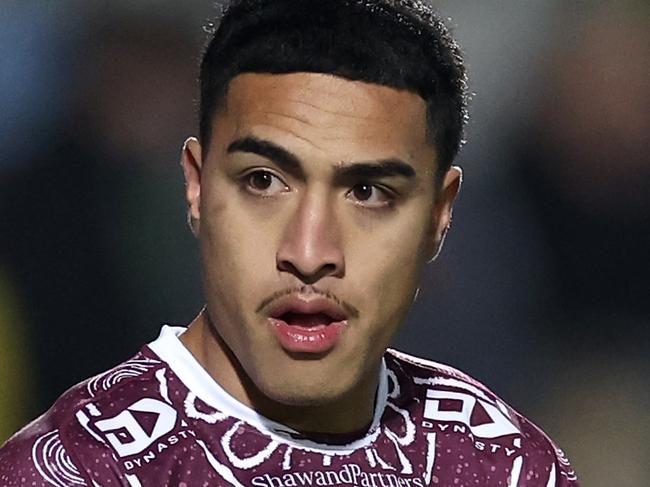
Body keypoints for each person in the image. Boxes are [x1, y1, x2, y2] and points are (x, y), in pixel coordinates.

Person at [0, 1, 580, 485]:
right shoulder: (79, 470)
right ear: (196, 187)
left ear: (439, 216)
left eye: (369, 192)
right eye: (263, 181)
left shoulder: (501, 463)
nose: (309, 252)